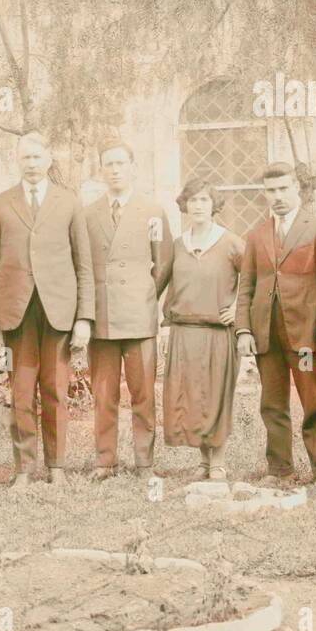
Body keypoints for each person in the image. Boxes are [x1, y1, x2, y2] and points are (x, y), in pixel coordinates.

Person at [0, 132, 94, 488]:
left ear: (49, 160)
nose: (31, 164)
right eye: (25, 158)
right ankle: (24, 469)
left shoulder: (69, 202)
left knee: (55, 388)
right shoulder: (0, 204)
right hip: (16, 313)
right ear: (17, 161)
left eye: (37, 157)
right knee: (21, 391)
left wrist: (84, 318)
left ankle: (57, 467)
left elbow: (84, 264)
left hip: (57, 311)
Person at [235, 162, 316, 496]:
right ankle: (279, 468)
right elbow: (246, 287)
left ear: (297, 188)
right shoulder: (256, 235)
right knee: (272, 402)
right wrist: (244, 331)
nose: (277, 197)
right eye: (271, 190)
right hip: (267, 337)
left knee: (313, 399)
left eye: (283, 189)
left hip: (306, 340)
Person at [84, 141, 174, 479]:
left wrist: (146, 294)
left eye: (121, 163)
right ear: (101, 170)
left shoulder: (152, 211)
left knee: (142, 393)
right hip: (102, 318)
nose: (115, 170)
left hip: (139, 316)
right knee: (103, 394)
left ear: (133, 166)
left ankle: (144, 462)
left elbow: (163, 261)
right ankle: (105, 460)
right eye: (109, 164)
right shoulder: (88, 213)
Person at [161, 177, 244, 481]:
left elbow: (254, 281)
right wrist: (166, 325)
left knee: (216, 396)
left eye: (204, 200)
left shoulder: (231, 242)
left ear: (214, 206)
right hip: (185, 331)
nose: (198, 206)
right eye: (193, 200)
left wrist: (237, 309)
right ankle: (204, 462)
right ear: (185, 204)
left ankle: (219, 461)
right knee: (193, 397)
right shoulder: (178, 245)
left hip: (218, 332)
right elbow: (168, 285)